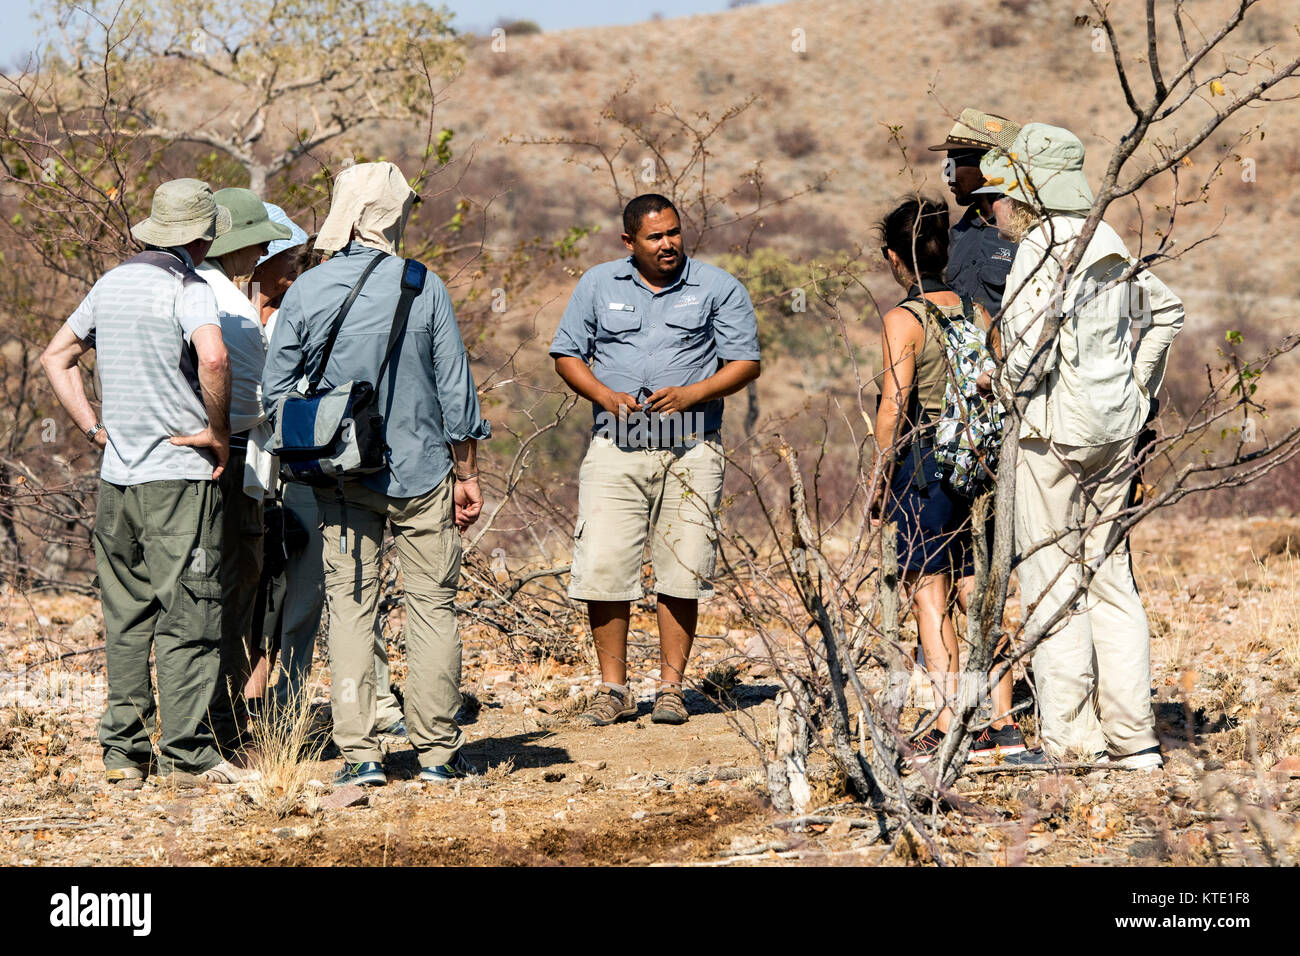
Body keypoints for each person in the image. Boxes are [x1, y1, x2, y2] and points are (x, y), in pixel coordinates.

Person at [263, 161, 489, 787]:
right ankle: (439, 754)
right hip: (420, 473)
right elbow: (457, 394)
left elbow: (276, 392)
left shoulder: (306, 290)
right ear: (390, 215)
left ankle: (360, 755)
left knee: (351, 605)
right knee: (432, 608)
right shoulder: (425, 285)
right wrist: (467, 474)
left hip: (340, 476)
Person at [974, 124, 1185, 770]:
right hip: (1115, 430)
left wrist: (997, 381)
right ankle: (1136, 741)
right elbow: (1167, 311)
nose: (993, 209)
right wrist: (1136, 393)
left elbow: (1028, 356)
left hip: (1053, 436)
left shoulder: (1041, 248)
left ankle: (1070, 742)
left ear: (1029, 191)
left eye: (1001, 196)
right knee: (1111, 581)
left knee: (1051, 580)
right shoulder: (1107, 237)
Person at [40, 178, 256, 785]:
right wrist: (217, 432)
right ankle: (188, 755)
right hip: (178, 478)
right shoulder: (187, 287)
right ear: (203, 235)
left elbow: (56, 356)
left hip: (118, 479)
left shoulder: (110, 284)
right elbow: (214, 358)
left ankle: (124, 755)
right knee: (190, 611)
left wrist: (91, 427)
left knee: (127, 616)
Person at [550, 193, 760, 726]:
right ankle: (613, 688)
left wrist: (694, 394)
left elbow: (746, 362)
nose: (667, 244)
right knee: (603, 566)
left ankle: (671, 688)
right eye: (655, 237)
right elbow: (567, 354)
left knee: (683, 569)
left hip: (692, 446)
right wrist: (601, 394)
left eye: (673, 233)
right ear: (629, 242)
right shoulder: (597, 283)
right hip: (615, 445)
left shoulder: (718, 287)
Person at [870, 197, 1024, 763]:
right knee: (977, 591)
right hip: (976, 466)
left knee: (927, 593)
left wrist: (879, 477)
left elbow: (893, 407)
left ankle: (946, 721)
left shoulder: (902, 320)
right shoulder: (976, 312)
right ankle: (1001, 723)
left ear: (894, 258)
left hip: (924, 466)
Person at [197, 187, 291, 751]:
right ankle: (226, 723)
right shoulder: (229, 305)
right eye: (254, 243)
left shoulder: (176, 288)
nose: (259, 255)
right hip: (231, 462)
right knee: (233, 589)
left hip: (170, 463)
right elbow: (251, 405)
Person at [928, 109, 1022, 315]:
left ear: (987, 165)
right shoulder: (958, 233)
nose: (947, 174)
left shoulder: (1027, 231)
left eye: (953, 163)